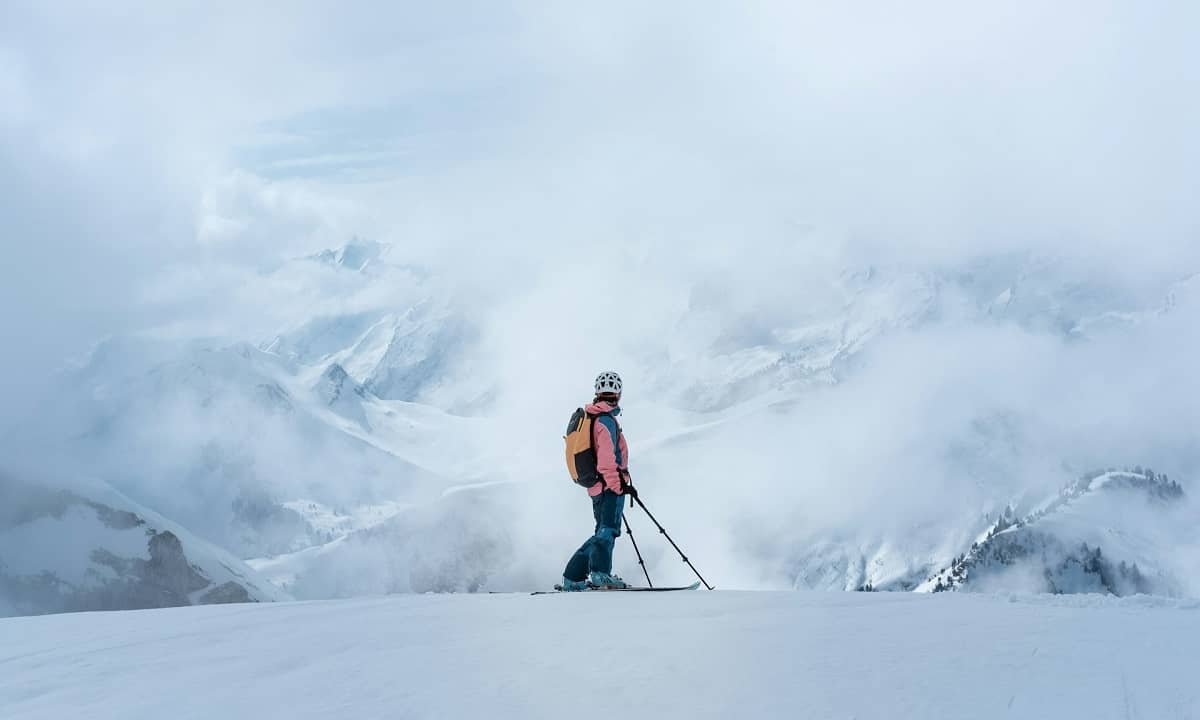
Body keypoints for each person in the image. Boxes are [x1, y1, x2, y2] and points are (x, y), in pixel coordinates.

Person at [560, 371, 638, 590]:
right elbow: (606, 461)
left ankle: (574, 578)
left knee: (603, 531)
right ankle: (599, 574)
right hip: (608, 486)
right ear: (619, 394)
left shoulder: (594, 417)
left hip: (596, 486)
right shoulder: (605, 420)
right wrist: (618, 486)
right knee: (607, 531)